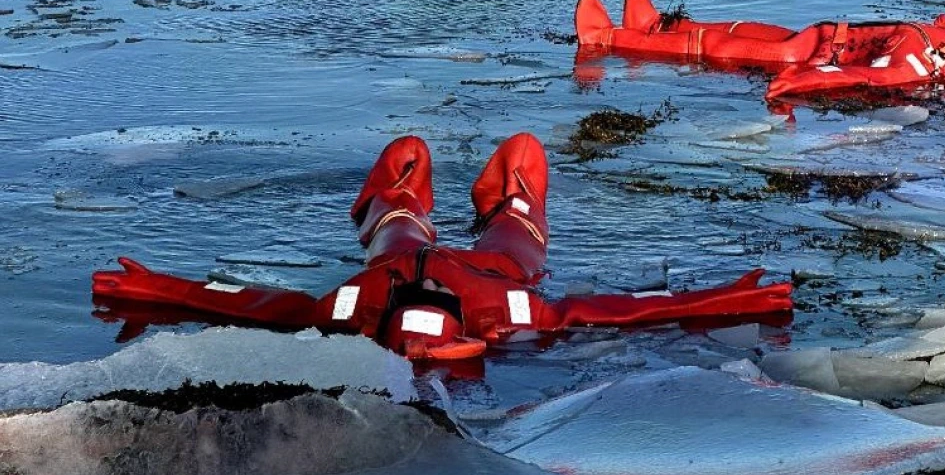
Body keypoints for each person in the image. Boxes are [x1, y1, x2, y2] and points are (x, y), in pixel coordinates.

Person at [93, 133, 794, 375]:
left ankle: (398, 204)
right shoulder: (505, 309)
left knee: (408, 158)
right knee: (522, 158)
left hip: (396, 254)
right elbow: (616, 312)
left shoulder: (352, 307)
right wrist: (729, 298)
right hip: (499, 263)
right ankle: (492, 204)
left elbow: (251, 306)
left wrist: (156, 288)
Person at [574, 0, 945, 101]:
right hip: (820, 36)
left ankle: (607, 38)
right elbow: (942, 21)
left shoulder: (919, 66)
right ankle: (660, 25)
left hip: (810, 52)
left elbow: (860, 75)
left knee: (729, 48)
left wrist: (795, 83)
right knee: (755, 28)